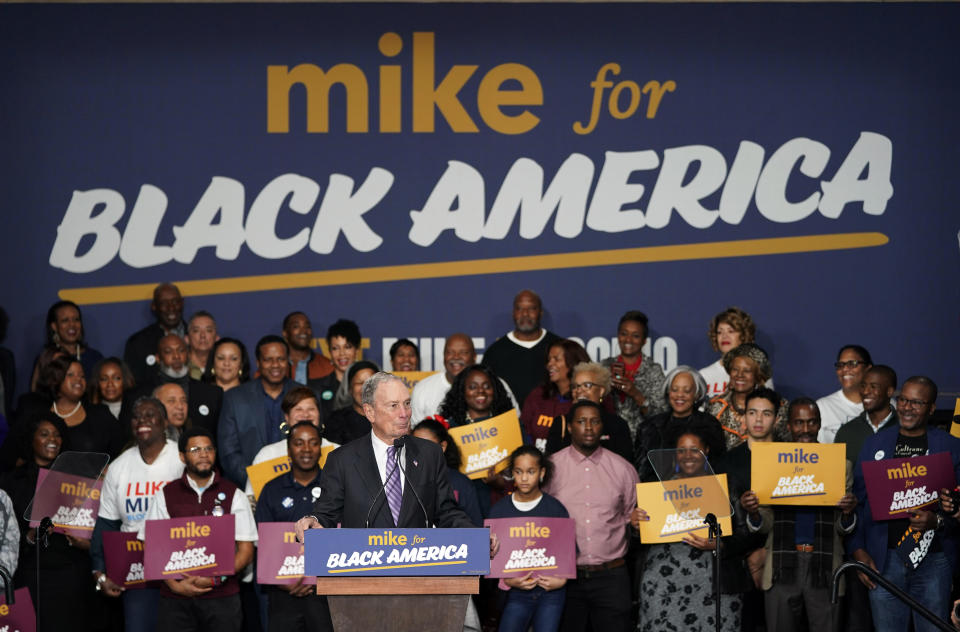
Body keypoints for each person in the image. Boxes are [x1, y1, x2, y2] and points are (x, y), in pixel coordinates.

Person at [294, 372, 479, 536]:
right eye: (393, 405)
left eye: (407, 404)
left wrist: (476, 537)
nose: (404, 413)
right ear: (370, 412)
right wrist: (312, 521)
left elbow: (446, 512)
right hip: (363, 569)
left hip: (418, 568)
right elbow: (326, 514)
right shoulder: (342, 460)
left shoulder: (430, 454)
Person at [848, 376, 960, 632]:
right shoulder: (875, 444)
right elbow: (857, 504)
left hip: (935, 560)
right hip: (883, 561)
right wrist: (858, 551)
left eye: (917, 402)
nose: (907, 407)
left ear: (931, 408)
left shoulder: (952, 448)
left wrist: (937, 521)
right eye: (904, 400)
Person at [745, 398, 858, 632]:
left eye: (811, 422)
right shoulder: (772, 462)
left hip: (825, 564)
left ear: (819, 424)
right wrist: (754, 512)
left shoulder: (839, 465)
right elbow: (765, 524)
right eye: (799, 423)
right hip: (780, 564)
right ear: (788, 426)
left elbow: (842, 527)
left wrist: (847, 513)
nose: (805, 429)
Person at [634, 417, 752, 632]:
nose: (688, 456)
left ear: (706, 450)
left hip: (715, 585)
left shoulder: (725, 485)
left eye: (694, 450)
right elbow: (639, 536)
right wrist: (634, 524)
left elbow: (745, 535)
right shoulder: (656, 487)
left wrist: (719, 544)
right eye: (681, 450)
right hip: (663, 585)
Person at [137, 427, 256, 631]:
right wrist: (175, 585)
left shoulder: (233, 493)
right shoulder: (167, 494)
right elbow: (151, 546)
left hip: (223, 599)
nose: (203, 454)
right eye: (195, 449)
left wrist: (214, 579)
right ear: (182, 456)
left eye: (208, 448)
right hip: (175, 599)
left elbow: (246, 550)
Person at [90, 396, 185, 632]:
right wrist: (100, 570)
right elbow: (107, 523)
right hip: (136, 572)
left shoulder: (182, 459)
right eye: (136, 416)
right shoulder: (119, 467)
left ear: (164, 423)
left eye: (150, 414)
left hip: (181, 565)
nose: (142, 420)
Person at [543, 400, 638, 632]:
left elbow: (631, 518)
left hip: (611, 577)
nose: (588, 427)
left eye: (595, 421)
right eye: (581, 421)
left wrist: (637, 523)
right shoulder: (550, 468)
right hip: (564, 576)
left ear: (602, 427)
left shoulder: (624, 470)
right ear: (569, 428)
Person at [0, 415, 96, 631]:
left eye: (57, 434)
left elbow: (93, 522)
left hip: (71, 571)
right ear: (31, 440)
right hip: (31, 572)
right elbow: (5, 534)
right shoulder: (13, 482)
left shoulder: (80, 479)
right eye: (44, 434)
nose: (53, 439)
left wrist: (85, 541)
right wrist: (29, 536)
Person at [255, 422, 333, 632]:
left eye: (313, 443)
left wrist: (317, 578)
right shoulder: (271, 490)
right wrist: (283, 582)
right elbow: (262, 542)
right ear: (289, 450)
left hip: (327, 591)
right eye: (299, 443)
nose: (306, 449)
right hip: (283, 592)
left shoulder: (335, 487)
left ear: (320, 448)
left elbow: (344, 535)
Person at [490, 445, 569, 632]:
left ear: (542, 472)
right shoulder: (499, 511)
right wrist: (507, 580)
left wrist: (562, 580)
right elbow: (489, 556)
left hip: (551, 593)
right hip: (514, 593)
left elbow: (567, 552)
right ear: (512, 474)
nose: (524, 478)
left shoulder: (556, 509)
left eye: (531, 472)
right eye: (518, 472)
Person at [218, 335, 299, 487]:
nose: (275, 365)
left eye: (281, 359)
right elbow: (229, 453)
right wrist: (256, 482)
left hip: (298, 487)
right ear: (258, 363)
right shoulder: (234, 398)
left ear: (288, 361)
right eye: (268, 359)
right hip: (248, 487)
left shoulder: (303, 394)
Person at [438, 364, 517, 516]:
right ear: (462, 392)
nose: (480, 391)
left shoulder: (510, 425)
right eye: (473, 386)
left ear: (495, 390)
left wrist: (504, 483)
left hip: (502, 508)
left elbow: (526, 466)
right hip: (461, 508)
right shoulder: (450, 429)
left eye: (486, 386)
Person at [244, 386, 340, 501]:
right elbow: (251, 500)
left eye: (311, 409)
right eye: (298, 409)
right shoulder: (267, 454)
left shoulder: (337, 452)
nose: (305, 414)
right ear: (287, 417)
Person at [122, 334, 223, 437]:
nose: (176, 356)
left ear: (188, 354)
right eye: (168, 352)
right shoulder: (136, 396)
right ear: (158, 358)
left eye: (181, 350)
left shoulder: (211, 394)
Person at [635, 365, 723, 481]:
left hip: (701, 492)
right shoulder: (649, 427)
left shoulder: (710, 425)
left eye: (686, 391)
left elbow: (719, 467)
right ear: (668, 392)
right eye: (675, 390)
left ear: (696, 395)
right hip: (659, 495)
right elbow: (642, 472)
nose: (679, 395)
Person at [411, 333, 517, 426]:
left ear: (474, 356)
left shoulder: (497, 385)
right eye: (450, 352)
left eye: (463, 352)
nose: (456, 357)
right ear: (443, 355)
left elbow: (514, 422)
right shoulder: (423, 388)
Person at [544, 362, 634, 465]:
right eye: (575, 386)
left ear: (601, 391)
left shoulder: (617, 424)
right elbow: (551, 466)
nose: (579, 391)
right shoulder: (561, 423)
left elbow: (625, 466)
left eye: (587, 385)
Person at [483, 290, 562, 406]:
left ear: (540, 313)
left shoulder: (559, 346)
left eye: (531, 308)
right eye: (519, 309)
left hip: (553, 420)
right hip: (509, 421)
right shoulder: (495, 352)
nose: (525, 314)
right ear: (513, 313)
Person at [705, 343, 788, 450]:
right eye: (735, 369)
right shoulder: (715, 406)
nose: (740, 375)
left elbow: (786, 449)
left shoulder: (778, 407)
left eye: (747, 371)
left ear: (758, 375)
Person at [601, 310, 667, 437]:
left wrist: (636, 395)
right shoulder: (604, 367)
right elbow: (593, 406)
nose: (628, 340)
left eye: (635, 336)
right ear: (618, 336)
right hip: (609, 443)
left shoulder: (653, 370)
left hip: (642, 444)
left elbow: (661, 416)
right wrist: (603, 393)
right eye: (624, 334)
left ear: (644, 341)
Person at [43, 356, 124, 458]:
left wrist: (108, 469)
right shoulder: (40, 415)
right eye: (71, 374)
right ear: (56, 379)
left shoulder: (101, 414)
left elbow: (121, 451)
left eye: (82, 376)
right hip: (49, 474)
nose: (78, 379)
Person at [411, 418, 483, 527]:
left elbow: (475, 525)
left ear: (443, 447)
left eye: (427, 446)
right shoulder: (403, 478)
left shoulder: (461, 483)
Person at [521, 339, 589, 448]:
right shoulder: (537, 395)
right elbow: (523, 431)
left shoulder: (589, 396)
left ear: (573, 363)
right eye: (549, 360)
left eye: (556, 359)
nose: (549, 364)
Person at [30, 300, 103, 391]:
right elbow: (35, 397)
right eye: (65, 320)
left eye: (76, 319)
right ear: (54, 326)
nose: (72, 324)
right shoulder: (46, 359)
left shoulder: (95, 358)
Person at [699, 307, 773, 398]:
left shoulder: (759, 373)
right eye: (719, 332)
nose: (724, 336)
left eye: (731, 331)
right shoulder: (704, 375)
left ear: (744, 335)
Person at [834, 365, 899, 465]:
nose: (865, 391)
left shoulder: (905, 430)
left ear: (889, 391)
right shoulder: (846, 432)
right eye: (863, 386)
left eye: (873, 387)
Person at [124, 283, 186, 386]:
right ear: (154, 306)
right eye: (164, 303)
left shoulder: (196, 338)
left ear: (182, 303)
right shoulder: (138, 343)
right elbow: (133, 386)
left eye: (175, 301)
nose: (171, 307)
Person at [816, 345, 873, 443]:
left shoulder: (887, 406)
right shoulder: (822, 407)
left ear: (868, 368)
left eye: (852, 363)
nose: (845, 369)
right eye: (840, 365)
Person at [309, 319, 361, 419]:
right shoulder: (316, 388)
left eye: (347, 347)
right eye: (335, 348)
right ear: (329, 351)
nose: (342, 353)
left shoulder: (370, 386)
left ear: (357, 350)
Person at [324, 361, 379, 445]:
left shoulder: (391, 417)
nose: (365, 388)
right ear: (350, 388)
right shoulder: (336, 421)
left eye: (371, 382)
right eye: (360, 383)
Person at [282, 311, 333, 385]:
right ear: (285, 333)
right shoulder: (275, 366)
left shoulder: (326, 366)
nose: (303, 331)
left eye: (307, 327)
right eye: (296, 326)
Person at [185, 311, 218, 380]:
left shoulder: (223, 368)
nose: (202, 335)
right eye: (196, 330)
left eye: (208, 330)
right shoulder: (180, 367)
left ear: (217, 338)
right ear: (187, 339)